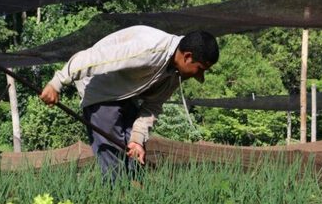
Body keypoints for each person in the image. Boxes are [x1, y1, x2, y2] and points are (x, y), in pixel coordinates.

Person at [40, 25, 219, 182]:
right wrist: (57, 82)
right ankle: (116, 202)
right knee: (112, 148)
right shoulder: (148, 49)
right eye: (200, 69)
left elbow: (152, 106)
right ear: (187, 57)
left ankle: (133, 199)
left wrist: (137, 140)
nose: (198, 76)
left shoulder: (176, 73)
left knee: (133, 152)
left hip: (126, 94)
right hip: (99, 88)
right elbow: (93, 58)